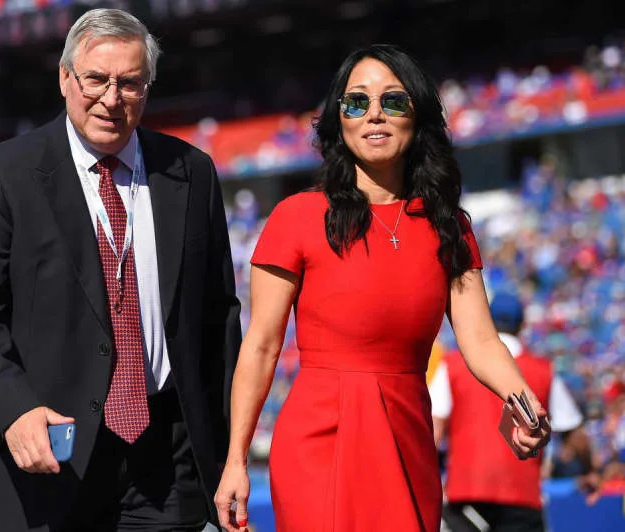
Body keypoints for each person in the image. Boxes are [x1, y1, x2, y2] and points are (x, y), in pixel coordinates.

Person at [214, 44, 551, 532]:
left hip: (408, 437)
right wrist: (236, 461)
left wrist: (523, 404)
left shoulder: (448, 225)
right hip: (316, 441)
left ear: (418, 117)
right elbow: (262, 346)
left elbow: (480, 340)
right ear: (339, 119)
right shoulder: (296, 217)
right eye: (356, 103)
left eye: (393, 102)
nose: (374, 115)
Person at [0, 8, 241, 531]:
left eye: (129, 82)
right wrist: (13, 408)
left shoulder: (192, 173)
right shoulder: (3, 174)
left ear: (147, 87)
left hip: (167, 457)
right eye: (96, 79)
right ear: (65, 78)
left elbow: (219, 315)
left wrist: (232, 446)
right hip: (49, 451)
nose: (110, 97)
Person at [429, 291, 583, 531]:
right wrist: (592, 469)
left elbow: (433, 432)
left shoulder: (452, 365)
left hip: (466, 496)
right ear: (522, 325)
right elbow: (573, 433)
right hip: (522, 498)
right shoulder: (544, 371)